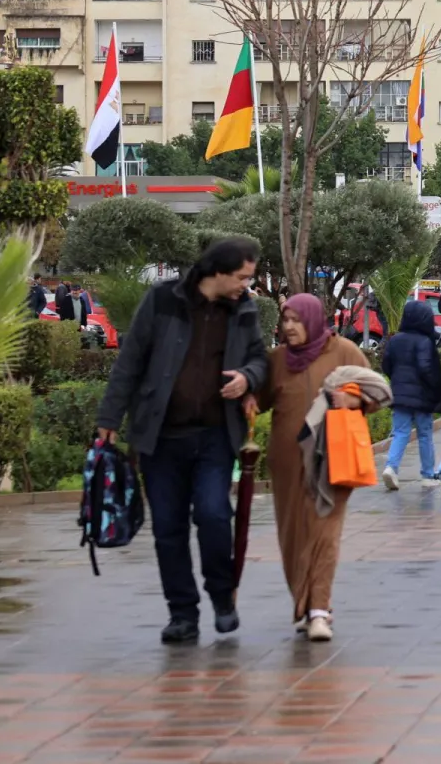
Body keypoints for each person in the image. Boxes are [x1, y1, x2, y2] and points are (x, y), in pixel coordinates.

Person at [94, 238, 268, 645]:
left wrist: (248, 377)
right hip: (160, 438)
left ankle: (223, 598)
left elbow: (260, 358)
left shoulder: (244, 309)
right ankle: (182, 614)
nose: (248, 283)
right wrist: (109, 418)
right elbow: (130, 361)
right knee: (168, 529)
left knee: (212, 514)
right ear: (218, 271)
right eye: (243, 276)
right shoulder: (162, 300)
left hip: (214, 436)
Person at [253, 294, 371, 642]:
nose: (289, 327)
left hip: (333, 459)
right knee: (292, 537)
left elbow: (377, 393)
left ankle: (320, 610)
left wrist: (353, 399)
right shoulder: (277, 360)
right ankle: (303, 605)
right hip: (287, 463)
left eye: (296, 320)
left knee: (323, 533)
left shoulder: (345, 352)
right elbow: (257, 402)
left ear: (314, 320)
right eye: (285, 320)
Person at [380, 300, 441, 491]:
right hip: (421, 395)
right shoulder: (425, 341)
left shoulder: (395, 339)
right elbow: (427, 368)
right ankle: (428, 474)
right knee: (425, 433)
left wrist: (397, 381)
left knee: (400, 432)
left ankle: (391, 467)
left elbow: (386, 364)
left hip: (400, 394)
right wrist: (436, 388)